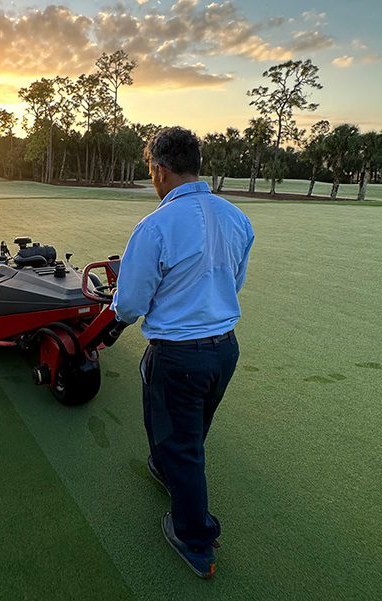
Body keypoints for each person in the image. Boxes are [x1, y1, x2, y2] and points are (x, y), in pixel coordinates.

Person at [111, 126, 254, 579]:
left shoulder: (156, 225)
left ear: (159, 170)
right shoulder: (236, 217)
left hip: (177, 356)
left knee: (183, 442)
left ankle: (195, 539)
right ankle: (164, 465)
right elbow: (234, 283)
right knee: (194, 429)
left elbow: (130, 303)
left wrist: (118, 312)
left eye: (151, 169)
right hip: (224, 350)